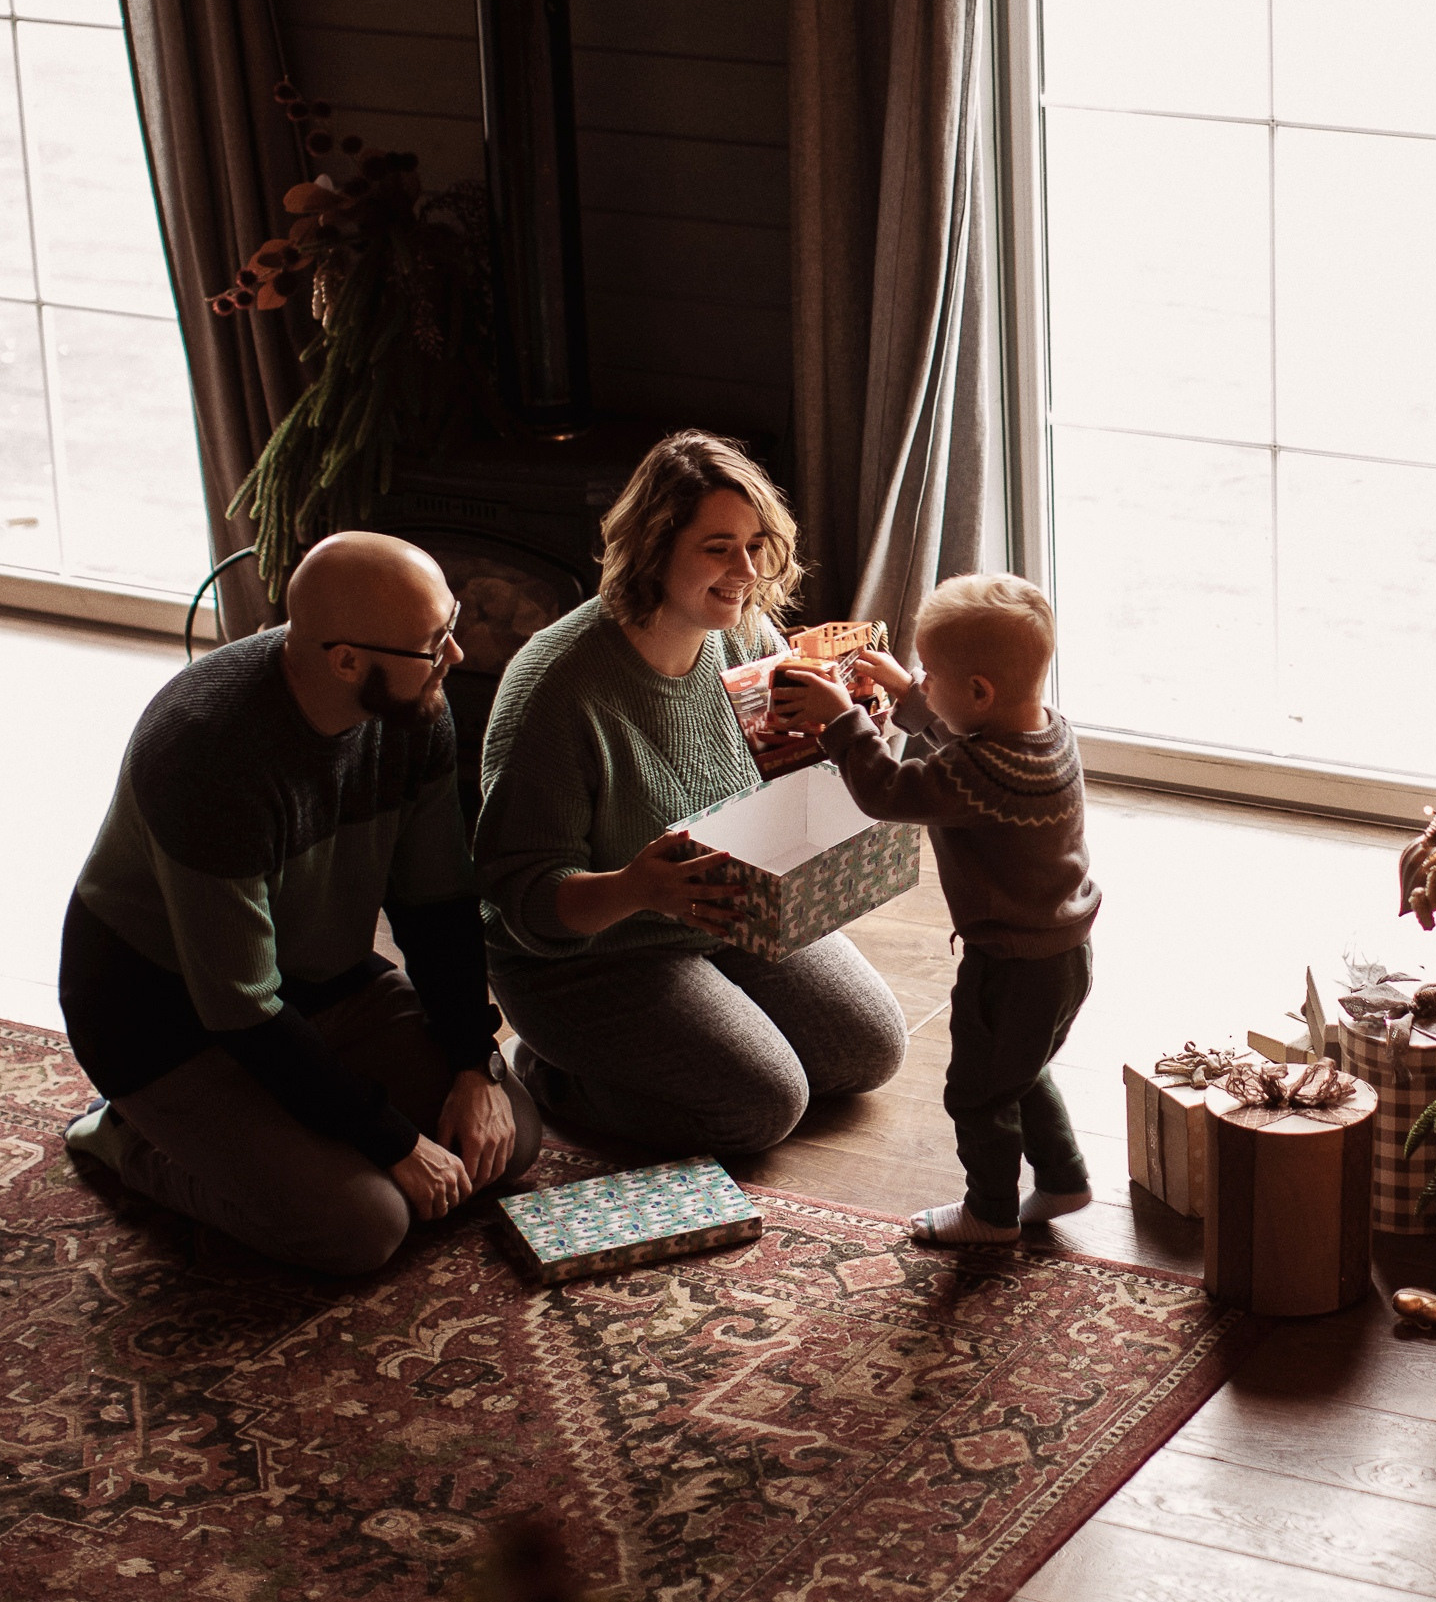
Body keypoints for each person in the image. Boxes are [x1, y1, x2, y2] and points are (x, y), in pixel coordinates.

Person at [58, 532, 541, 1275]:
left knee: (511, 1140)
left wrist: (473, 1063)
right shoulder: (206, 756)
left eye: (449, 626)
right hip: (169, 1023)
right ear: (345, 661)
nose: (456, 654)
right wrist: (393, 1142)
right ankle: (127, 1137)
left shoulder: (414, 705)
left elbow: (437, 905)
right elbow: (241, 1008)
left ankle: (297, 1136)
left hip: (320, 981)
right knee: (364, 1226)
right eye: (432, 642)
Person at [474, 430, 907, 1155]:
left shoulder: (743, 635)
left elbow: (789, 790)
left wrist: (852, 733)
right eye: (718, 548)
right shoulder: (557, 690)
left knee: (869, 1050)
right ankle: (548, 1070)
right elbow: (521, 899)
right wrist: (635, 887)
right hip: (588, 958)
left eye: (756, 544)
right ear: (652, 548)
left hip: (723, 914)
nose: (747, 571)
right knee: (764, 1106)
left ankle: (703, 1017)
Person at [773, 573, 1100, 1245]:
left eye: (930, 675)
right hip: (1064, 954)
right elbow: (966, 744)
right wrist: (909, 695)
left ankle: (990, 1213)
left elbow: (891, 790)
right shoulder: (1047, 732)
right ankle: (1063, 1177)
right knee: (1019, 1069)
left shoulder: (980, 773)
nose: (922, 681)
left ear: (978, 691)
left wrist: (844, 720)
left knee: (977, 1092)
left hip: (1008, 966)